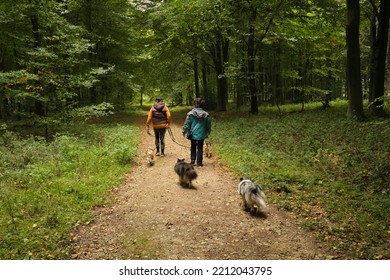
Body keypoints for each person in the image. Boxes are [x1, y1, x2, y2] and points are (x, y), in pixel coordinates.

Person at [182, 97, 211, 166]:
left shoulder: (190, 114)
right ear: (202, 105)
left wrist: (184, 131)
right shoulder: (206, 114)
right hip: (201, 134)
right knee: (200, 147)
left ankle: (192, 160)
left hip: (193, 133)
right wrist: (208, 130)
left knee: (193, 146)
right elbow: (208, 124)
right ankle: (199, 162)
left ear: (195, 104)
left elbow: (187, 124)